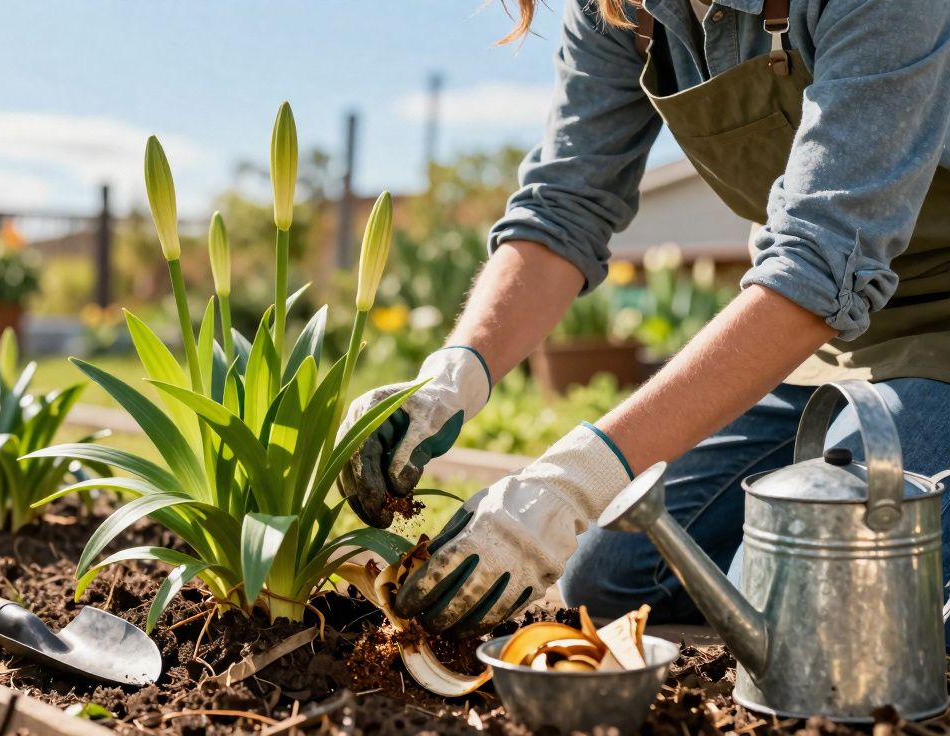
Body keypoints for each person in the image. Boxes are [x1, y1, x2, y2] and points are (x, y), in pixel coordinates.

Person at [336, 0, 950, 639]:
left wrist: (572, 482)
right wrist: (450, 380)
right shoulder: (623, 9)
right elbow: (563, 208)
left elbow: (822, 255)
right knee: (610, 572)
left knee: (805, 595)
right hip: (815, 346)